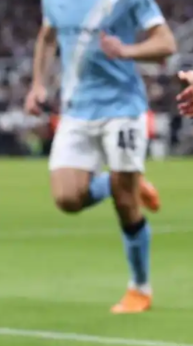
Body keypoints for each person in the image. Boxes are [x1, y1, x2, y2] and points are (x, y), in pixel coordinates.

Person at [25, 0, 176, 314]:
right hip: (76, 111)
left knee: (126, 203)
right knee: (67, 198)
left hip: (123, 109)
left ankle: (140, 288)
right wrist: (38, 84)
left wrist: (127, 51)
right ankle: (124, 181)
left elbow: (166, 44)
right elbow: (47, 37)